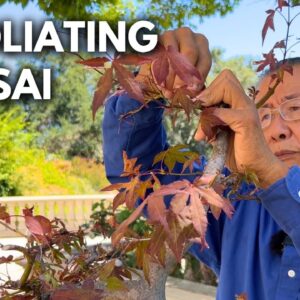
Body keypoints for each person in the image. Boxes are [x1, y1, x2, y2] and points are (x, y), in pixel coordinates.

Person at [102, 27, 300, 300]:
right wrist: (147, 86)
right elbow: (140, 177)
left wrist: (269, 171)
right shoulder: (234, 203)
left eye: (295, 109)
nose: (277, 129)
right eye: (263, 116)